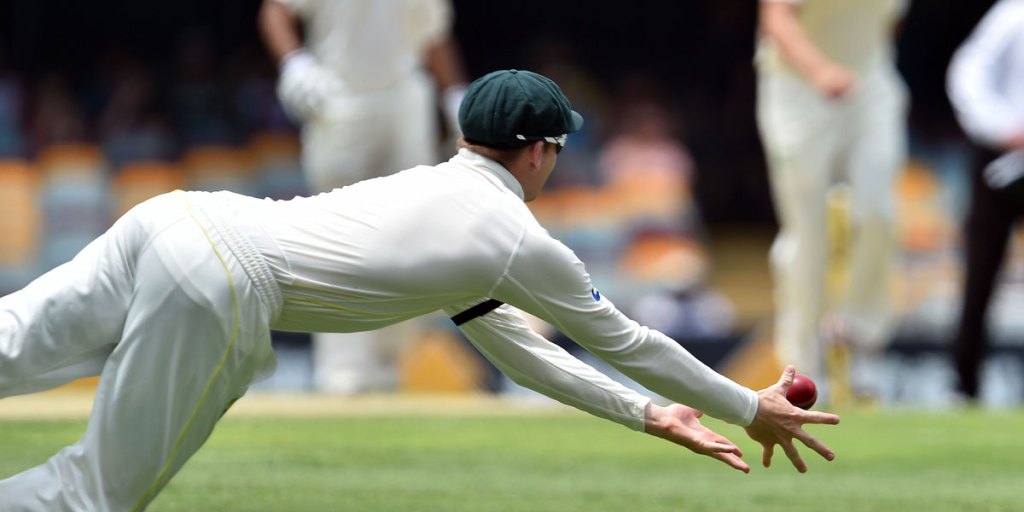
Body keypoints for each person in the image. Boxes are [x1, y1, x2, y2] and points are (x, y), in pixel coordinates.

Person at [0, 69, 840, 510]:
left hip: (176, 218)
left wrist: (648, 414)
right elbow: (632, 342)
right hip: (223, 281)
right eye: (558, 148)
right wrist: (747, 406)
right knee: (96, 496)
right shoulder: (515, 238)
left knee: (9, 344)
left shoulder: (436, 196)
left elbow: (520, 353)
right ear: (540, 151)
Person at [258, 0, 470, 393]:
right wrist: (295, 63)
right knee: (337, 239)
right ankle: (342, 372)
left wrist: (455, 94)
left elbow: (433, 35)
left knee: (408, 235)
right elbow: (276, 11)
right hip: (339, 98)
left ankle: (392, 361)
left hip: (405, 98)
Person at [755, 0, 910, 401]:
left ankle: (862, 338)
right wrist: (819, 70)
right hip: (795, 89)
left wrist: (857, 67)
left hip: (871, 85)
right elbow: (775, 16)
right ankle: (803, 360)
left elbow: (883, 24)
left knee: (878, 212)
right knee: (809, 230)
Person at [946, 0, 1024, 403]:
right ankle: (964, 385)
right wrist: (1001, 128)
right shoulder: (1013, 14)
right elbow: (968, 71)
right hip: (1004, 159)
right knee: (981, 271)